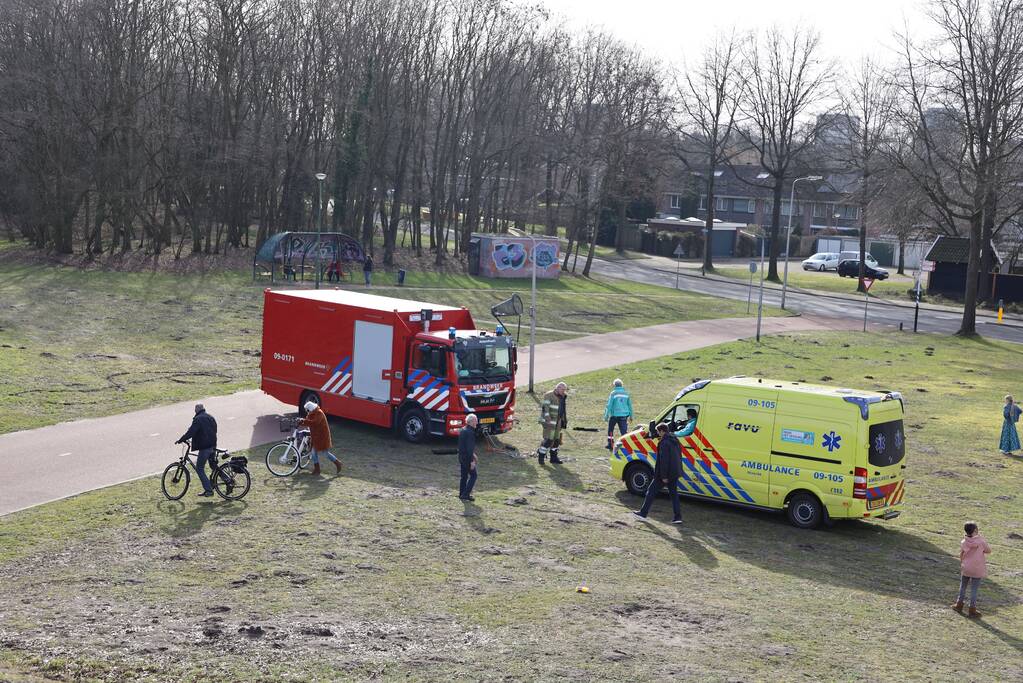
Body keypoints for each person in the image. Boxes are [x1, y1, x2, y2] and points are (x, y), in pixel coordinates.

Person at [633, 423, 683, 524]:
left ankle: (643, 513)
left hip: (664, 474)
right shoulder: (675, 440)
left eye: (658, 432)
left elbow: (663, 461)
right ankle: (678, 517)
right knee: (674, 495)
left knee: (650, 492)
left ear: (662, 431)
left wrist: (664, 476)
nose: (657, 434)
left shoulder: (664, 443)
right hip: (675, 472)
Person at [174, 404, 218, 497]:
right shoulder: (211, 417)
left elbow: (191, 432)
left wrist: (181, 439)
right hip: (213, 446)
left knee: (199, 468)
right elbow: (214, 430)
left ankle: (209, 490)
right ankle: (228, 480)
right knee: (213, 466)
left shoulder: (198, 419)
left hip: (205, 447)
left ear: (196, 411)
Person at [952, 521, 992, 618]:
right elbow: (988, 551)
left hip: (966, 567)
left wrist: (962, 563)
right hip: (977, 569)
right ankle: (972, 609)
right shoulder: (981, 541)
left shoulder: (964, 542)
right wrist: (981, 538)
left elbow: (961, 554)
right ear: (975, 530)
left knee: (963, 586)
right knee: (974, 589)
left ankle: (959, 605)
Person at [300, 400, 342, 476]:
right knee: (314, 453)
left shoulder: (319, 413)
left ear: (310, 409)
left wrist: (304, 421)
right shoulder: (311, 414)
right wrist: (301, 422)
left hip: (322, 437)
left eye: (307, 410)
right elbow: (309, 422)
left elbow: (315, 423)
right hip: (316, 437)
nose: (307, 411)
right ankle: (317, 470)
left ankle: (338, 463)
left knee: (325, 453)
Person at [538, 382, 568, 465]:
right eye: (562, 389)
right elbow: (545, 407)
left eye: (564, 390)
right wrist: (547, 418)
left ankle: (553, 458)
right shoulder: (549, 395)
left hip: (558, 421)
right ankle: (541, 457)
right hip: (549, 421)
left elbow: (562, 409)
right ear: (557, 388)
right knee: (548, 440)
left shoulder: (563, 396)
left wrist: (564, 420)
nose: (563, 391)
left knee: (557, 440)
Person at [603, 378, 633, 451]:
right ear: (622, 385)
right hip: (624, 416)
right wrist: (631, 416)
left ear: (614, 385)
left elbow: (609, 405)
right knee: (624, 431)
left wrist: (606, 415)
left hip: (614, 415)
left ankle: (610, 444)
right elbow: (630, 406)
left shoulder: (613, 393)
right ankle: (626, 445)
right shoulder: (626, 393)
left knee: (610, 430)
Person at [458, 414, 479, 501]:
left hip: (461, 457)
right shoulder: (470, 433)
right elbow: (469, 448)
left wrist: (473, 454)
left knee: (464, 476)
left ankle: (461, 493)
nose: (477, 422)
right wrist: (472, 462)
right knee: (474, 475)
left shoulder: (463, 430)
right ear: (471, 422)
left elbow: (464, 446)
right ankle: (466, 494)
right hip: (467, 458)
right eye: (475, 421)